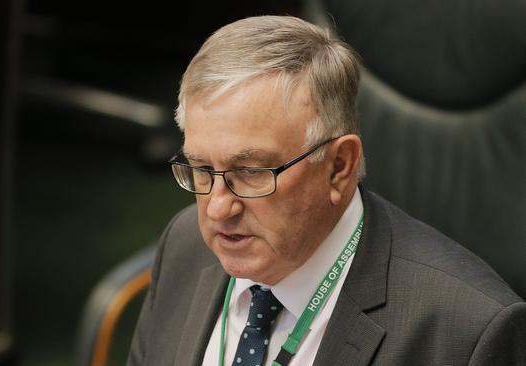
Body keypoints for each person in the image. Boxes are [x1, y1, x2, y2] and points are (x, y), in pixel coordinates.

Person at [128, 15, 526, 366]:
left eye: (250, 172)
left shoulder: (465, 334)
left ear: (339, 167)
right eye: (200, 168)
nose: (217, 210)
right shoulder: (184, 245)